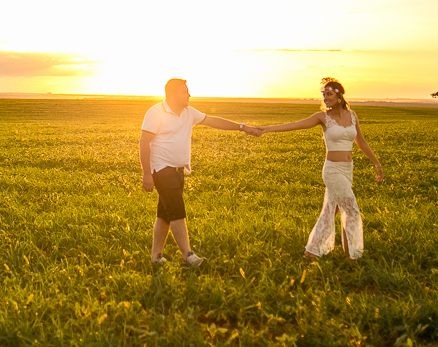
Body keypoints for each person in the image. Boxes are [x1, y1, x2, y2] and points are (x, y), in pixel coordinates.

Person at [253, 78, 384, 259]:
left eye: (328, 94)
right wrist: (267, 129)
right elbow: (295, 125)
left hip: (348, 169)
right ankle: (353, 256)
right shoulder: (322, 117)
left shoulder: (352, 115)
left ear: (339, 95)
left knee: (331, 209)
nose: (325, 98)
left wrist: (376, 163)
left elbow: (360, 141)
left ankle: (312, 252)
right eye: (323, 95)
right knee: (351, 209)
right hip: (332, 171)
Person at [139, 78, 261, 266]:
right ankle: (188, 256)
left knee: (164, 215)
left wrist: (242, 127)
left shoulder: (189, 113)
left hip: (179, 170)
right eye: (184, 92)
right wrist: (147, 173)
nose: (189, 95)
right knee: (177, 211)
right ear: (171, 94)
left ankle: (156, 257)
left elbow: (213, 121)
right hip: (162, 169)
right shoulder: (155, 113)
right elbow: (144, 142)